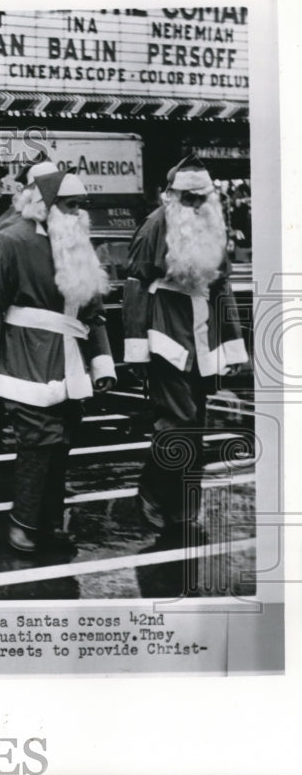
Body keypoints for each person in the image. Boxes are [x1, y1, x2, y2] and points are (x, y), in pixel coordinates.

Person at [0, 170, 117, 554]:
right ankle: (23, 523)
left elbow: (93, 310)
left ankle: (48, 522)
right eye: (71, 205)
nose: (78, 213)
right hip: (25, 354)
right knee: (39, 440)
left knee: (62, 440)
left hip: (69, 358)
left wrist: (102, 363)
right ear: (47, 206)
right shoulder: (12, 241)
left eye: (81, 206)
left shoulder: (77, 243)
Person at [123, 155, 248, 543]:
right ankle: (151, 490)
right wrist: (137, 349)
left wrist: (232, 345)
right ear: (173, 195)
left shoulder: (213, 224)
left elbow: (221, 285)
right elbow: (135, 284)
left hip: (202, 333)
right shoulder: (156, 224)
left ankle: (182, 507)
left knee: (195, 425)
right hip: (165, 331)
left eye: (201, 197)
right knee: (176, 420)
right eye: (188, 198)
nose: (195, 204)